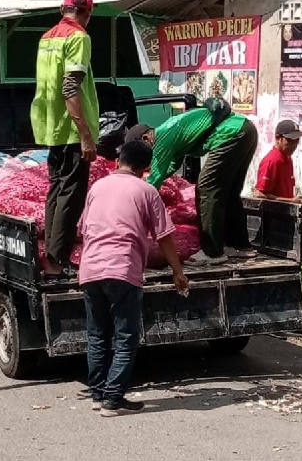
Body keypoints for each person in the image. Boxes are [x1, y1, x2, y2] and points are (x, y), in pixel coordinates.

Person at [78, 141, 189, 417]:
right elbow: (164, 236)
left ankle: (98, 394)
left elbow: (83, 229)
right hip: (123, 270)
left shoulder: (97, 188)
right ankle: (112, 400)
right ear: (145, 168)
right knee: (126, 337)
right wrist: (177, 271)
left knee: (97, 335)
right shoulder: (147, 191)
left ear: (119, 160)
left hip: (90, 269)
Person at [125, 98, 258, 266]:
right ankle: (239, 246)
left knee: (205, 188)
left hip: (231, 134)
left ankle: (212, 252)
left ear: (146, 139)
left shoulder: (160, 140)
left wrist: (134, 200)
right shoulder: (170, 131)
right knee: (229, 192)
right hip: (246, 129)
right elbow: (174, 163)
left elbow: (154, 181)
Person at [30, 0, 99, 277]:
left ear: (63, 9)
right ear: (87, 13)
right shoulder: (79, 37)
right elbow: (70, 87)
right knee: (71, 196)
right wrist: (84, 133)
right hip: (71, 130)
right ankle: (57, 261)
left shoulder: (47, 38)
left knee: (56, 191)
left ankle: (51, 258)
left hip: (50, 126)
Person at [254, 120, 302, 202]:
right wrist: (291, 201)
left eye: (297, 140)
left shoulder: (288, 159)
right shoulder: (271, 161)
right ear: (278, 138)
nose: (294, 145)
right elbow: (259, 194)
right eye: (290, 140)